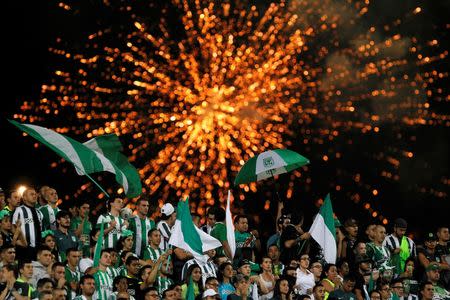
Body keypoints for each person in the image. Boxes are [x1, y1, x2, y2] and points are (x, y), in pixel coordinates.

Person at [12, 187, 43, 260]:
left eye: (35, 194)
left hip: (38, 249)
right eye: (31, 194)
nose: (35, 196)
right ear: (24, 198)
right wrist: (19, 242)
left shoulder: (39, 212)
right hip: (24, 249)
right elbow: (13, 228)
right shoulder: (19, 210)